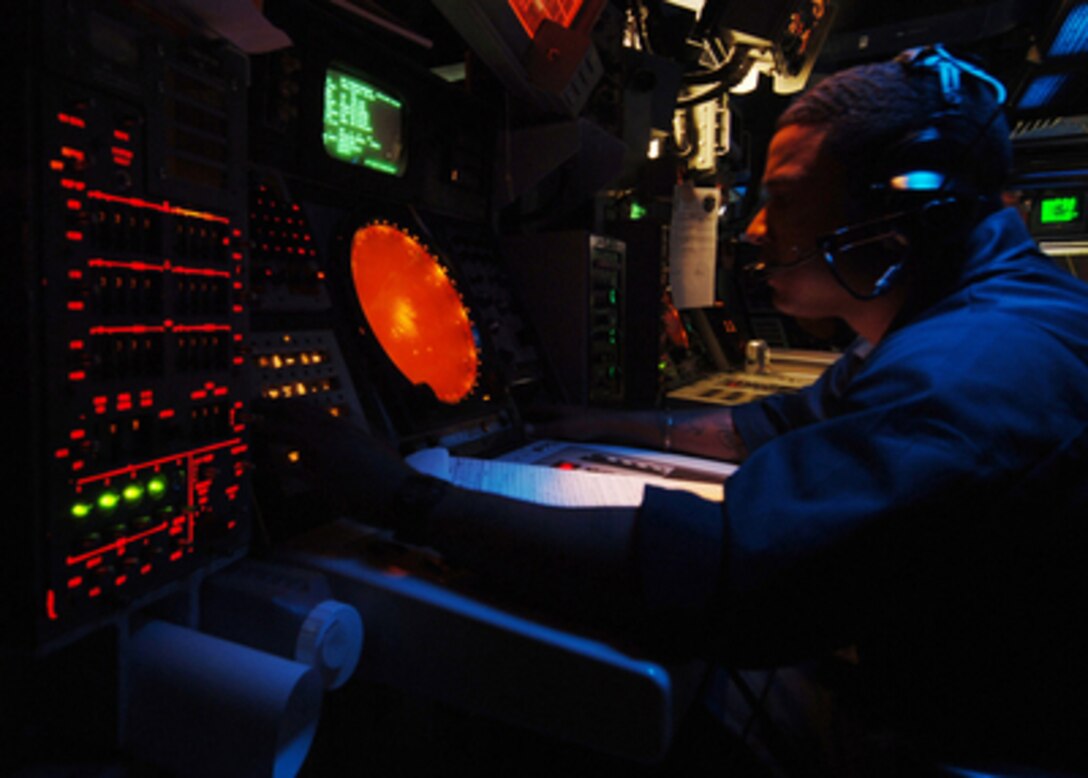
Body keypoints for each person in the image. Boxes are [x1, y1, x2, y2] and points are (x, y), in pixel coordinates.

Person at [263, 46, 1088, 775]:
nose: (755, 230)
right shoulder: (973, 317)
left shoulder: (971, 372)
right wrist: (604, 426)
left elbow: (723, 573)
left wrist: (400, 498)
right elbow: (760, 426)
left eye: (785, 197)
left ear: (907, 204)